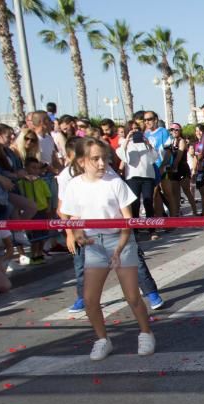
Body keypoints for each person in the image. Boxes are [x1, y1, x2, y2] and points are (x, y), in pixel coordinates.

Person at [59, 138, 154, 361]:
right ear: (82, 161)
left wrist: (119, 248)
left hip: (120, 240)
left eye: (105, 158)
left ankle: (146, 333)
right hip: (94, 245)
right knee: (90, 299)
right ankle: (102, 339)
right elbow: (73, 216)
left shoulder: (115, 182)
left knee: (132, 296)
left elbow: (128, 219)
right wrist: (76, 233)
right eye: (95, 159)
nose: (102, 163)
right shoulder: (74, 185)